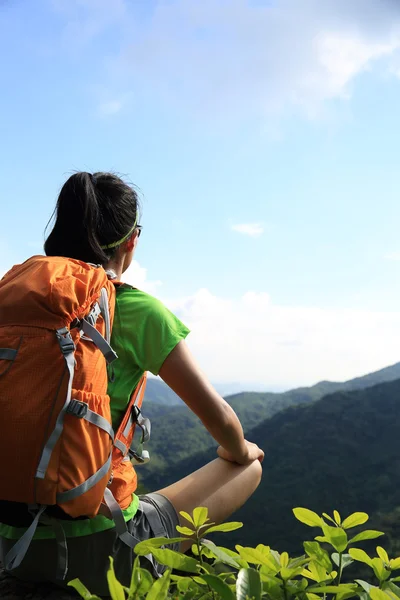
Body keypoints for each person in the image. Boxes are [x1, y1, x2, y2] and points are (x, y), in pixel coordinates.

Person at [0, 172, 263, 596]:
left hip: (12, 539)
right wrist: (241, 449)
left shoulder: (14, 304)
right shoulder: (138, 310)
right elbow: (225, 424)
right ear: (131, 242)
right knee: (249, 468)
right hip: (103, 543)